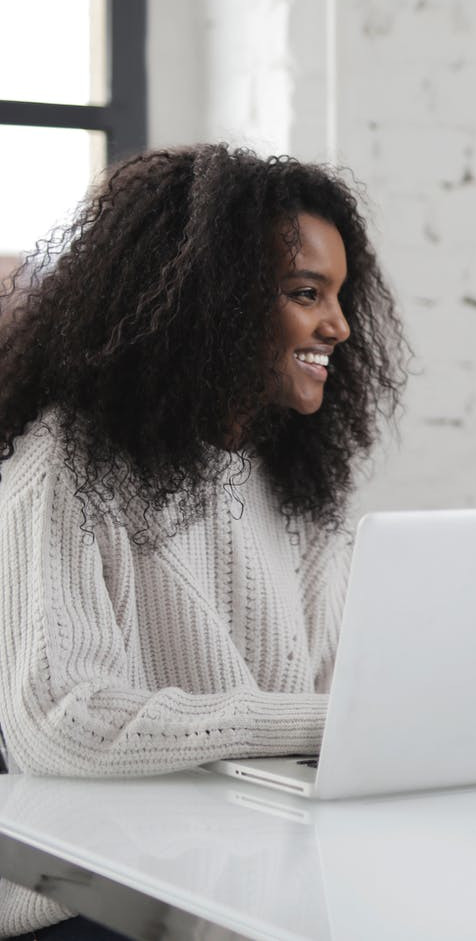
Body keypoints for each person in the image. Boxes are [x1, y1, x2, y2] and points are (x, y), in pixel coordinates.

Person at [0, 145, 408, 937]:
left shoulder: (296, 483)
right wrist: (335, 720)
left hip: (255, 877)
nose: (340, 324)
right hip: (91, 900)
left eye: (340, 293)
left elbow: (336, 694)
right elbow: (61, 721)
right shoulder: (60, 475)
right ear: (210, 302)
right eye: (304, 292)